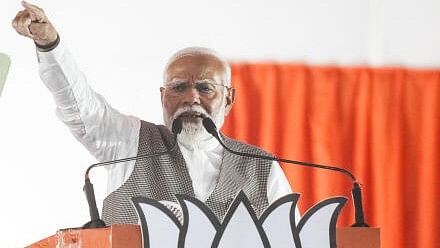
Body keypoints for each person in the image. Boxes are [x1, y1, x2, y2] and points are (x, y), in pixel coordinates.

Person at [12, 1, 298, 225]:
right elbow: (80, 108)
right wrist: (50, 46)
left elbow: (293, 239)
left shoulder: (263, 167)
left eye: (205, 87)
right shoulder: (130, 142)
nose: (191, 98)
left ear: (229, 98)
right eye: (178, 87)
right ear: (163, 97)